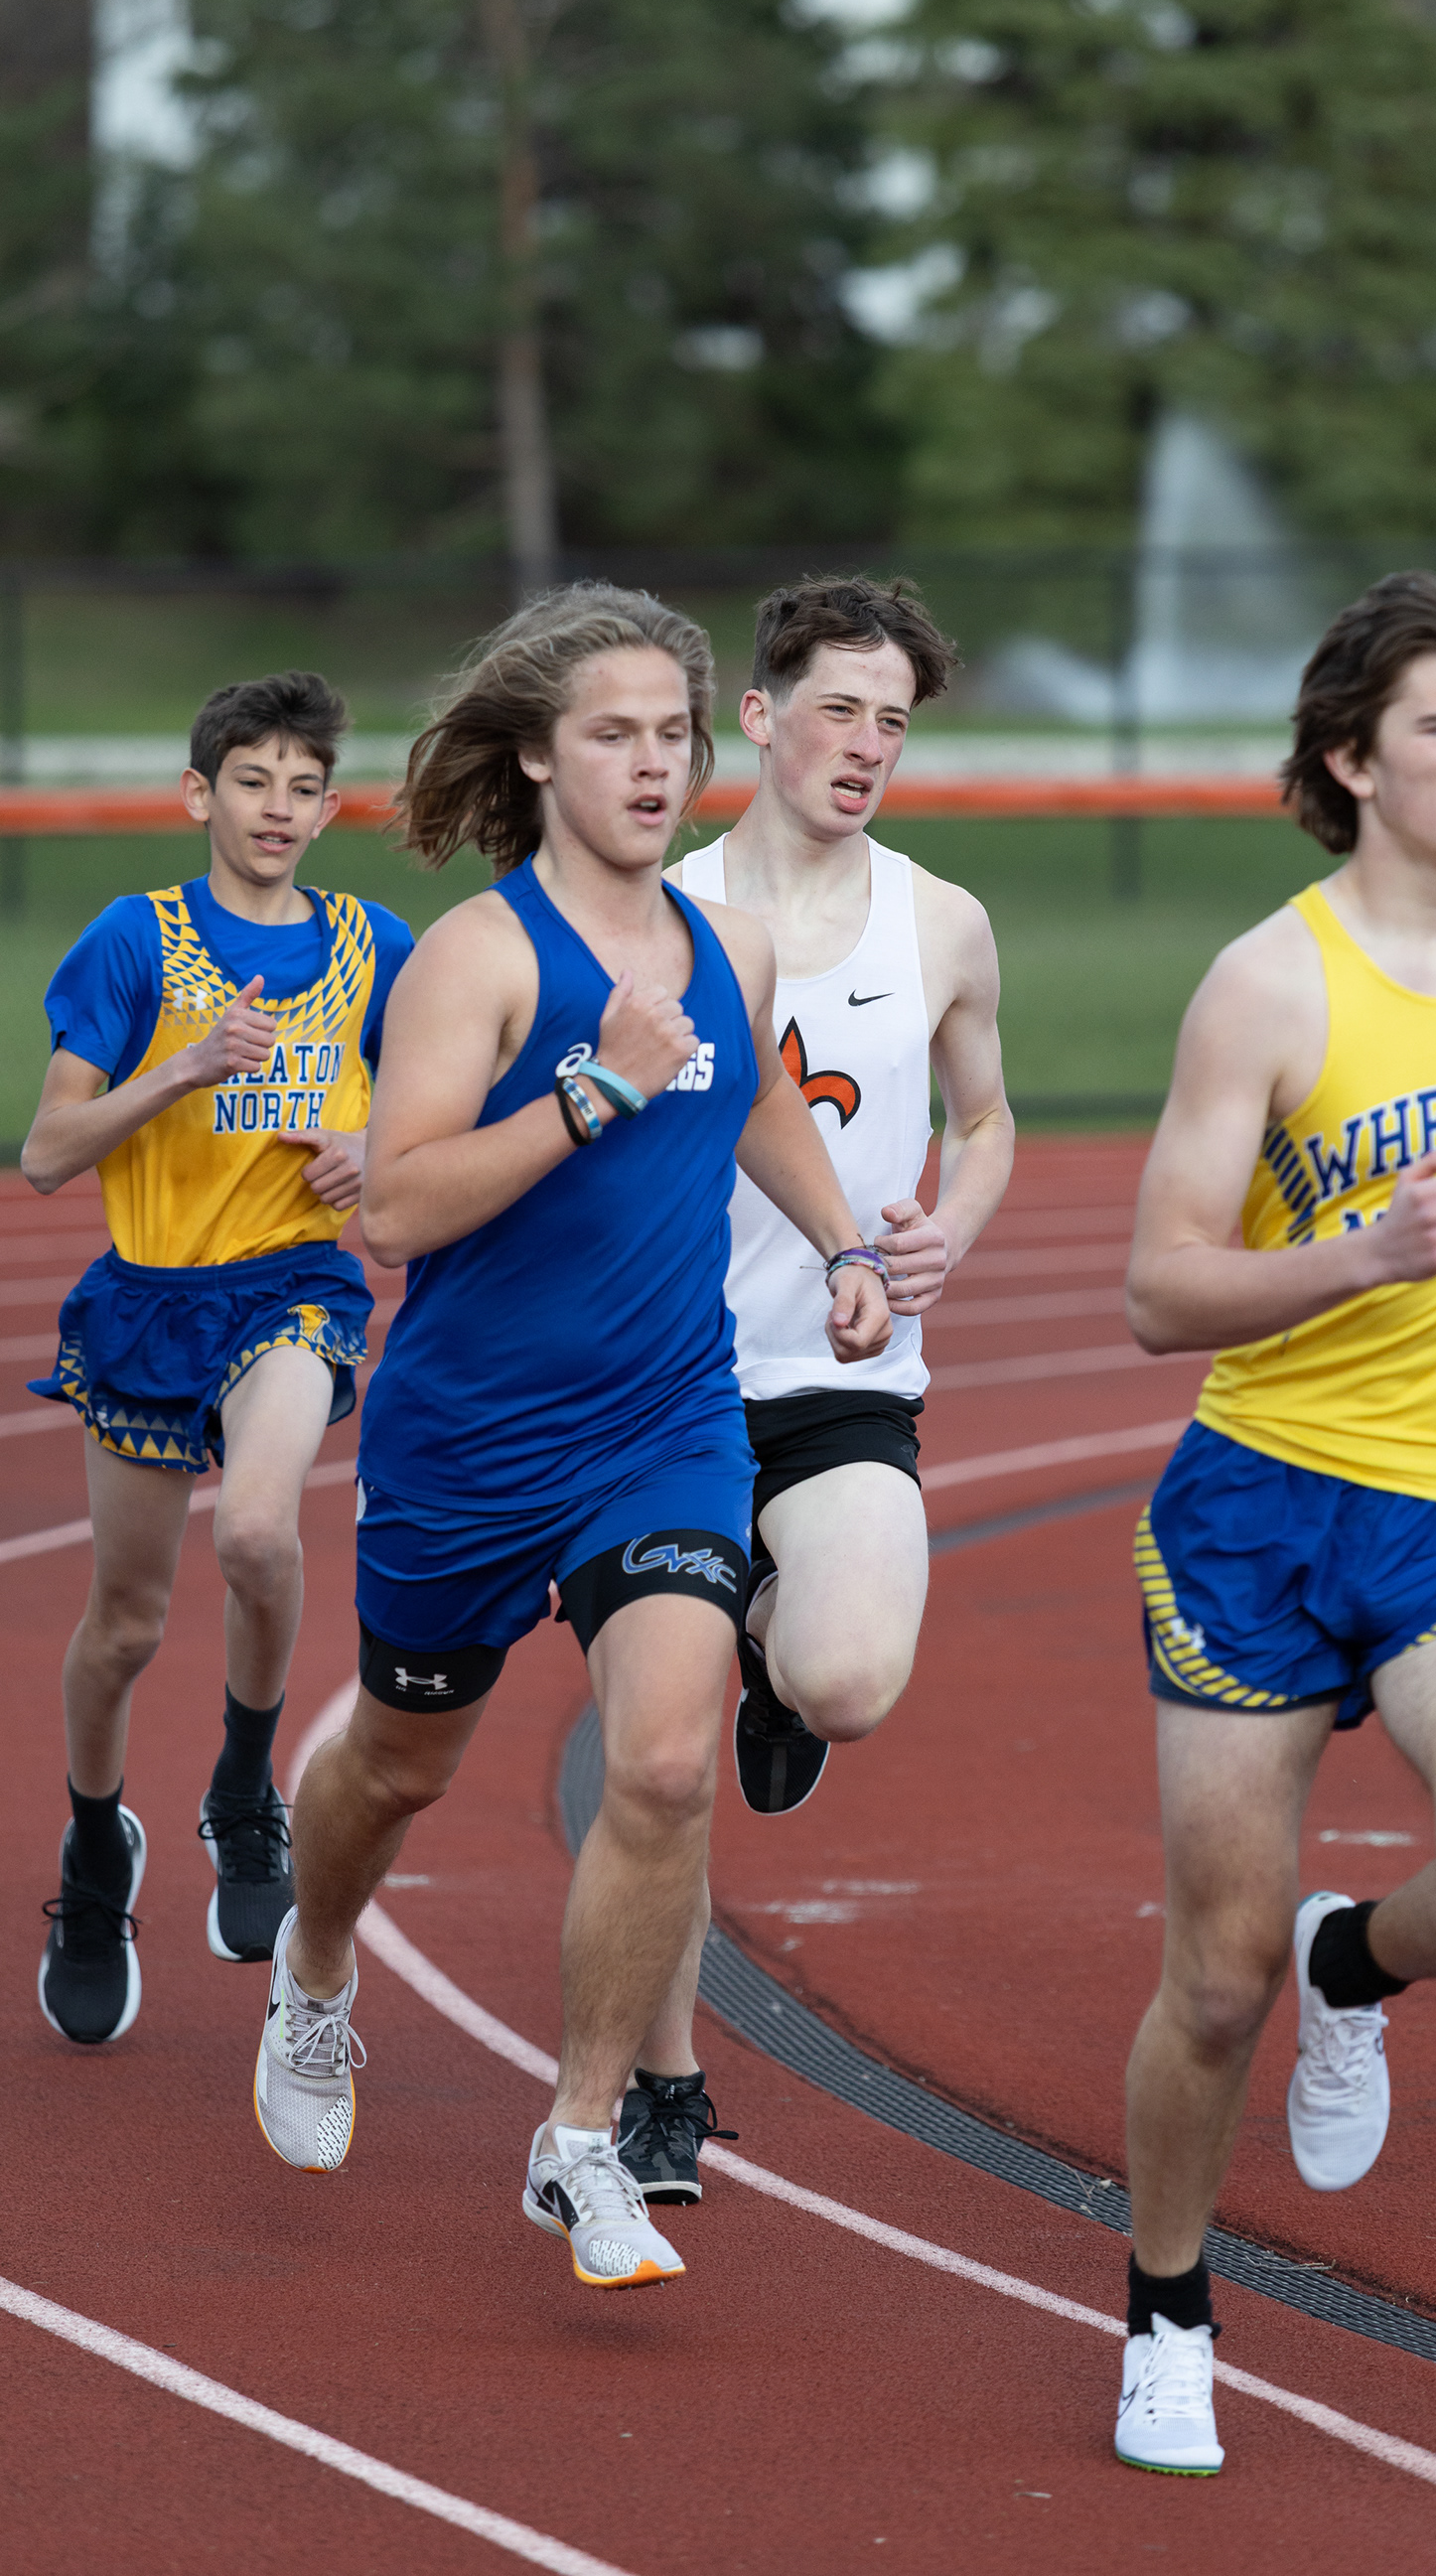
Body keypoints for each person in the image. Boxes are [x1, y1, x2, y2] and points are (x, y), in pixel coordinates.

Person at [250, 583, 893, 2300]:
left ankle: (585, 2135)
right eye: (614, 734)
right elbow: (396, 1207)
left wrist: (841, 1243)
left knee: (667, 1764)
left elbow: (754, 1094)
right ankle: (316, 1965)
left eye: (674, 734)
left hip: (664, 1423)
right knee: (397, 1766)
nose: (654, 764)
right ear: (539, 756)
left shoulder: (730, 945)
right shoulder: (480, 956)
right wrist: (590, 1089)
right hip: (470, 1442)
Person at [1111, 571, 1436, 2476]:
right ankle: (1168, 2311)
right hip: (1259, 1513)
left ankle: (1365, 1965)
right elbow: (1159, 1291)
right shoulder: (1269, 984)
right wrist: (1358, 1255)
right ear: (1352, 758)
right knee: (1214, 1976)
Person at [601, 576, 1014, 2205]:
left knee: (845, 1682)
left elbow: (987, 1120)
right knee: (660, 1765)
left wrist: (947, 1231)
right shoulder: (660, 909)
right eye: (839, 709)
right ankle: (664, 2079)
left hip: (846, 1379)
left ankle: (776, 1656)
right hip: (663, 1383)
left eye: (893, 722)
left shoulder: (944, 922)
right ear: (761, 718)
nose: (867, 745)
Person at [24, 674, 412, 2046]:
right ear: (201, 794)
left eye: (305, 787)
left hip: (293, 1289)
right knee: (125, 1625)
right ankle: (94, 1851)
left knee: (257, 1530)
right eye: (254, 782)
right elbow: (46, 1153)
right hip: (148, 1300)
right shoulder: (136, 942)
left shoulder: (375, 947)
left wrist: (377, 1147)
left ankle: (246, 1791)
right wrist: (181, 1070)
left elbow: (444, 1107)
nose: (279, 809)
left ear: (329, 808)